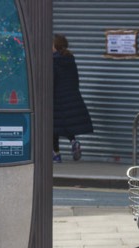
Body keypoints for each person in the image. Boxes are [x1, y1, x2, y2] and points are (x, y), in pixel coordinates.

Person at [52, 34, 93, 162]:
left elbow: (52, 80)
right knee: (63, 124)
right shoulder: (70, 59)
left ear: (55, 45)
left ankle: (56, 155)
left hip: (56, 97)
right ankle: (73, 141)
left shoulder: (53, 60)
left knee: (52, 127)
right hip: (70, 95)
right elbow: (75, 78)